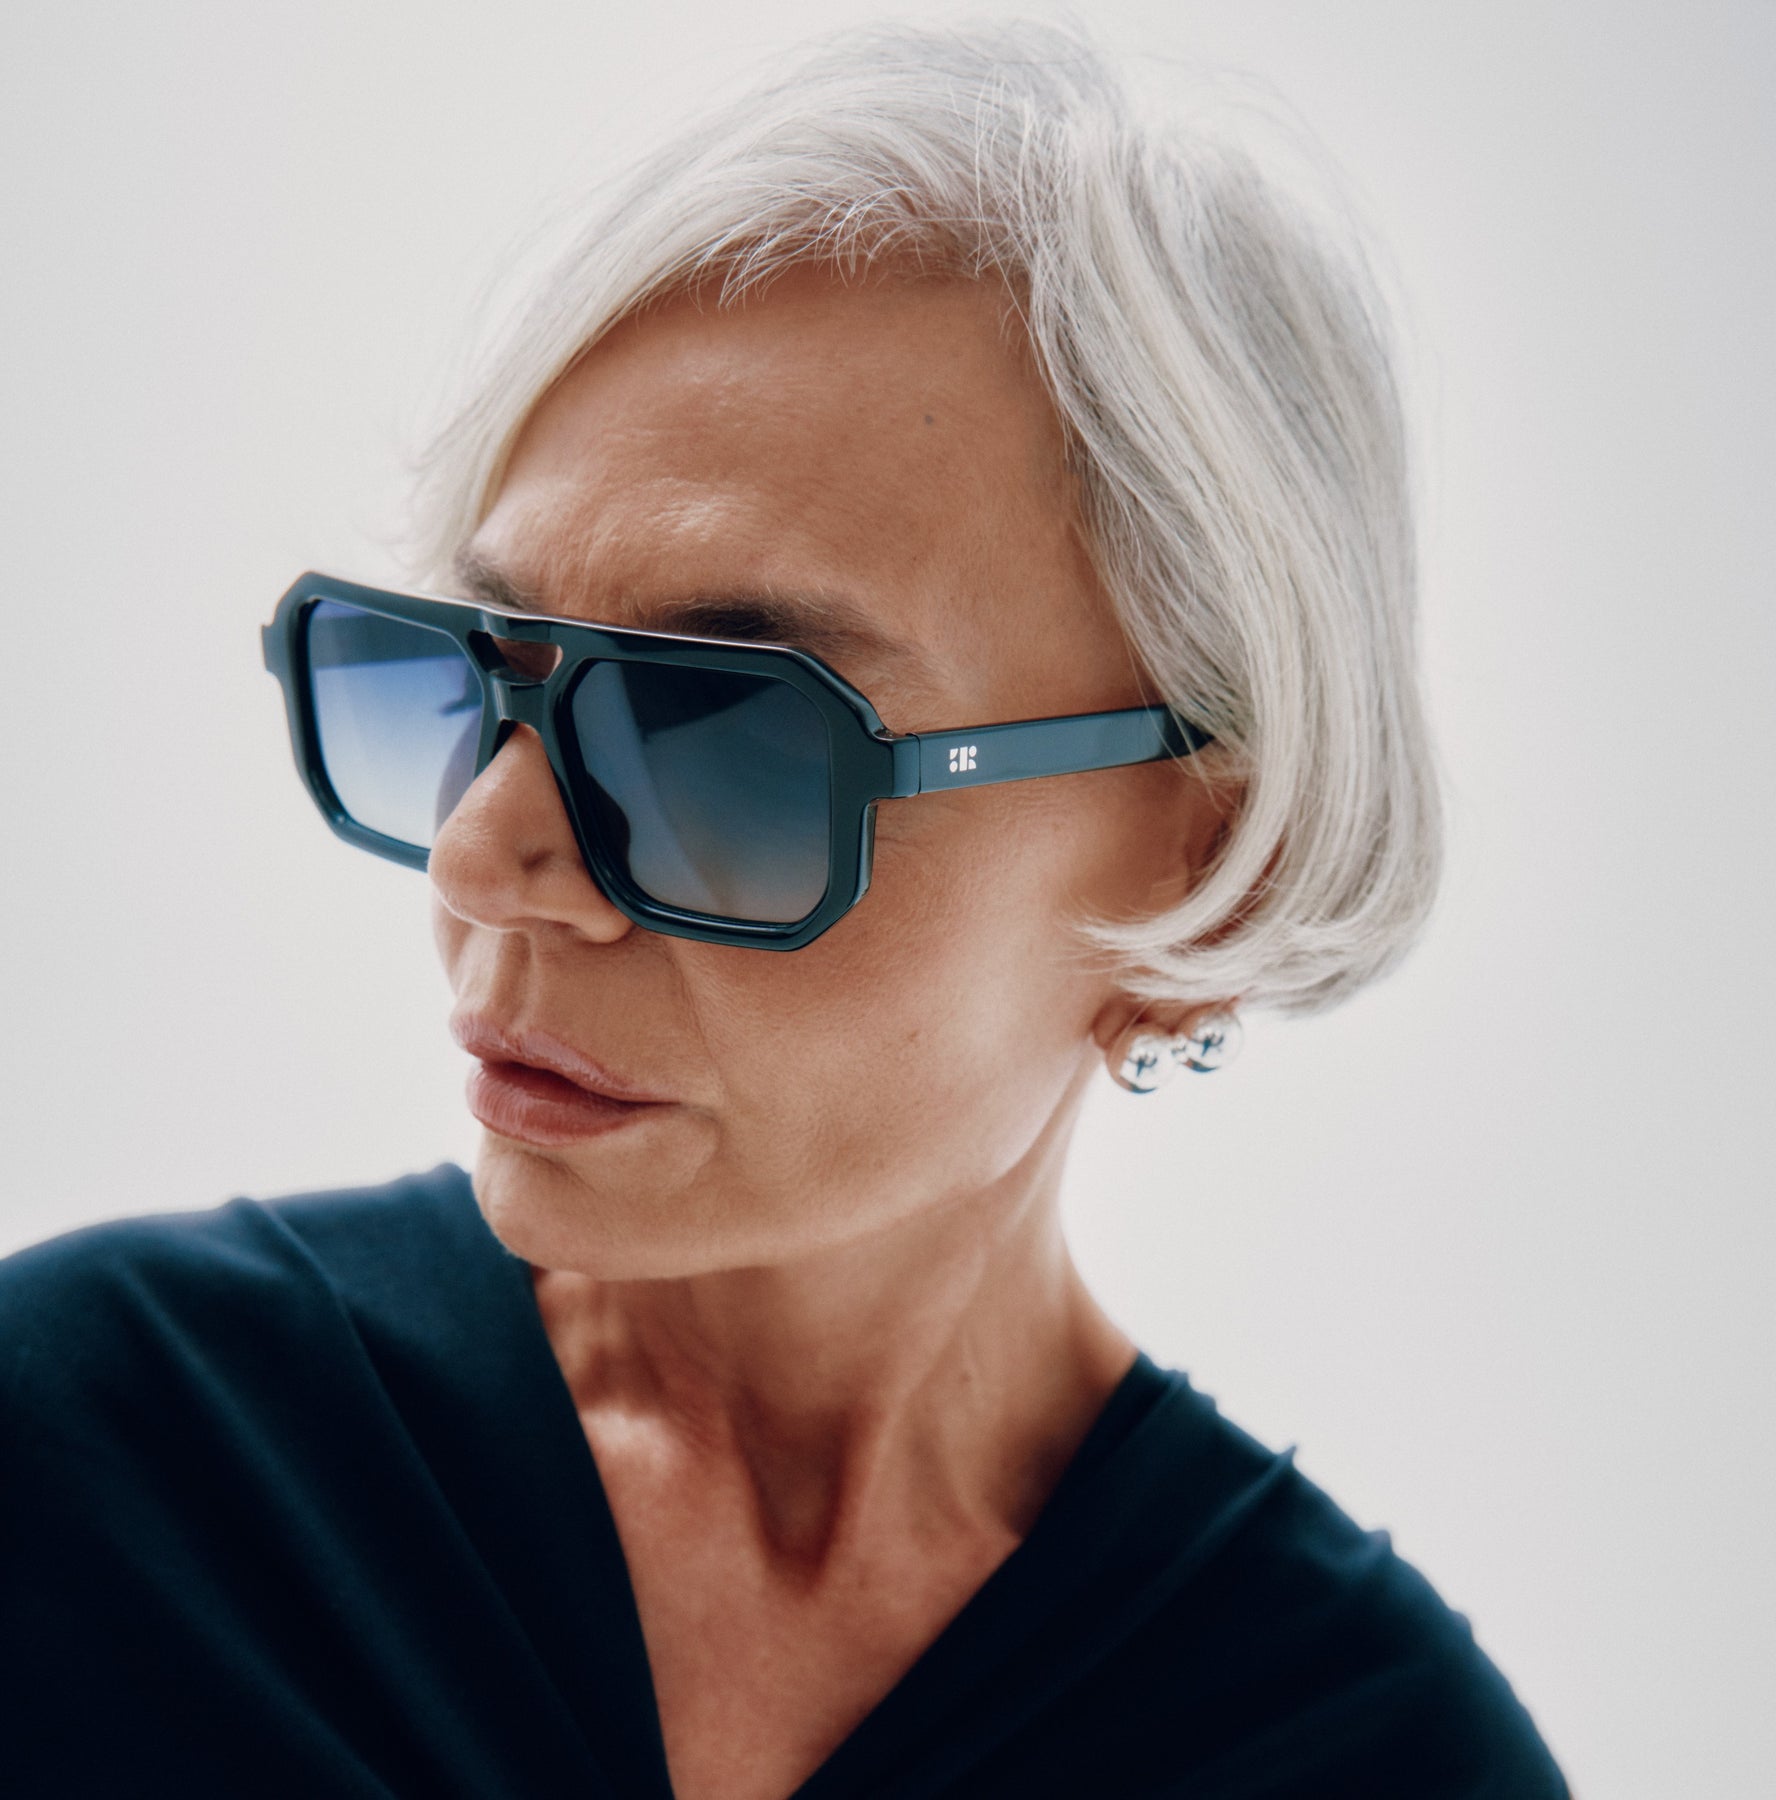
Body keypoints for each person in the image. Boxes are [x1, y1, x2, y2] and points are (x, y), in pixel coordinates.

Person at [0, 21, 1569, 1799]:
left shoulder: (1368, 1757)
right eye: (481, 678)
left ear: (1217, 867)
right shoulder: (87, 1472)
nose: (482, 859)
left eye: (725, 735)